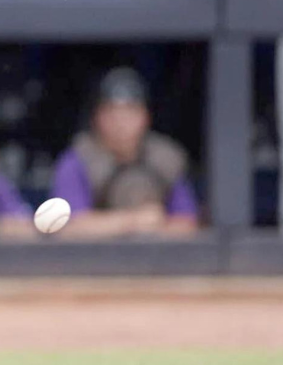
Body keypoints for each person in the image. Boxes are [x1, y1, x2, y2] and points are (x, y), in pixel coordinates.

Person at [51, 67, 199, 238]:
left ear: (145, 116)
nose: (120, 122)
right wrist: (133, 221)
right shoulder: (78, 159)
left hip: (155, 260)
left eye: (130, 111)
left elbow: (187, 223)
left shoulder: (165, 157)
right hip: (93, 260)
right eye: (111, 112)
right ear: (96, 116)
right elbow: (69, 226)